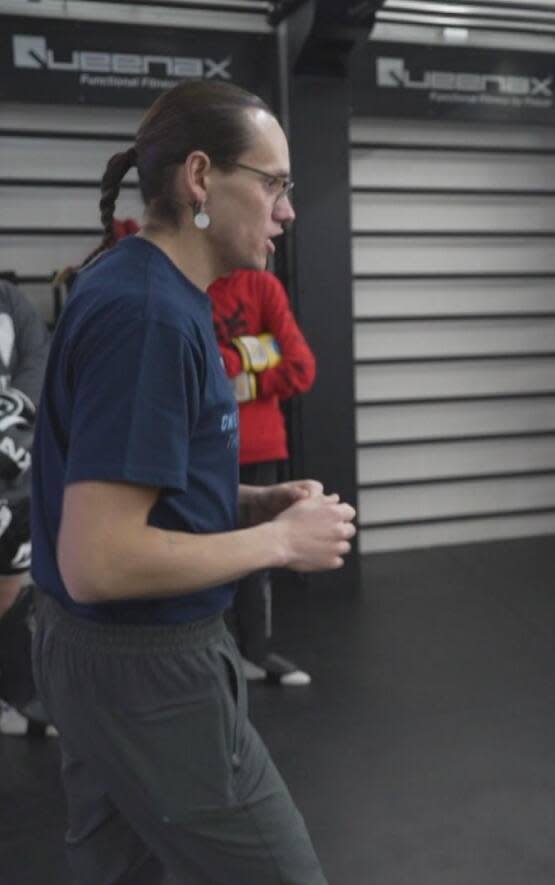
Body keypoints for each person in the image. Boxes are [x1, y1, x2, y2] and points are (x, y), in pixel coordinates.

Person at [29, 80, 356, 884]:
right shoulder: (149, 316)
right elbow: (99, 559)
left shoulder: (142, 287)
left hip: (101, 658)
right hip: (147, 669)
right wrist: (276, 542)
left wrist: (248, 501)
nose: (286, 210)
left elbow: (127, 491)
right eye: (273, 183)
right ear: (201, 178)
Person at [210, 268, 316, 686]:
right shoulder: (184, 282)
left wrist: (236, 372)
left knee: (257, 558)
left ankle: (256, 651)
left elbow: (300, 366)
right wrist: (259, 350)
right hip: (201, 448)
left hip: (258, 447)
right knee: (203, 554)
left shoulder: (261, 287)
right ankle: (216, 658)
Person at [0, 276, 51, 736]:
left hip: (11, 468)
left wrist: (13, 411)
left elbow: (38, 357)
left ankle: (25, 694)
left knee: (14, 584)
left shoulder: (10, 299)